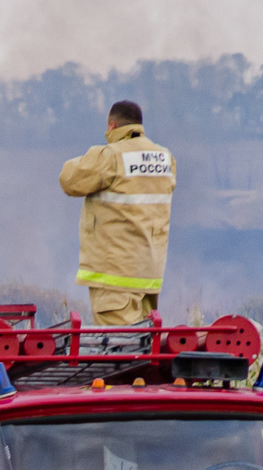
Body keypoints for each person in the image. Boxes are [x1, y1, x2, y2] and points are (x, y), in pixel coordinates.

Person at [58, 99, 176, 327]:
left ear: (112, 126)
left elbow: (69, 180)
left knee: (120, 350)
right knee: (143, 344)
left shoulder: (110, 156)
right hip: (149, 272)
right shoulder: (165, 158)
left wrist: (91, 156)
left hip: (115, 274)